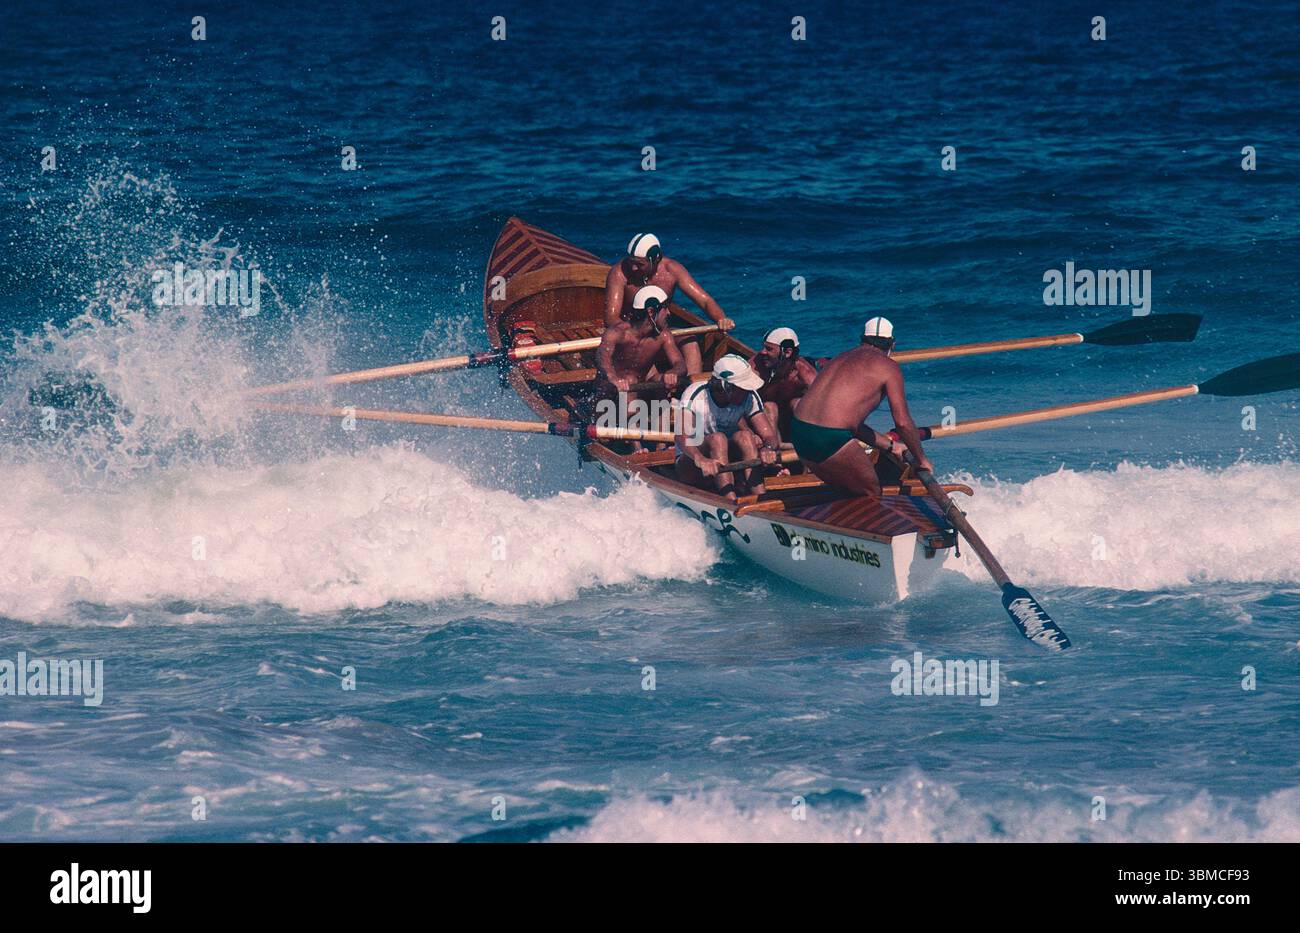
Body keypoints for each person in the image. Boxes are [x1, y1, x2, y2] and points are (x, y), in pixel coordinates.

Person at [787, 317, 933, 497]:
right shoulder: (889, 367)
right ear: (892, 345)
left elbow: (848, 423)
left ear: (862, 339)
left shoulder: (840, 357)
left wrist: (891, 446)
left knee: (846, 490)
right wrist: (921, 460)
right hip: (829, 438)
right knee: (871, 492)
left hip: (798, 431)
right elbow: (903, 423)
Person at [605, 233, 735, 375]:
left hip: (662, 330)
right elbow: (611, 318)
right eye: (631, 262)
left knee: (690, 343)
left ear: (655, 259)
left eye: (639, 264)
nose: (634, 268)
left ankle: (694, 390)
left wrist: (721, 318)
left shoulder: (672, 270)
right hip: (632, 334)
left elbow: (704, 301)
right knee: (644, 366)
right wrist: (634, 336)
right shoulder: (619, 273)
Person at [674, 354, 781, 501]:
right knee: (718, 439)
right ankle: (730, 502)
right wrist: (701, 459)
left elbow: (769, 436)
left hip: (726, 461)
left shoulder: (749, 396)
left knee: (745, 436)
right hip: (691, 463)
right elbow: (682, 437)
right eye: (742, 388)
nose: (747, 391)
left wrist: (768, 448)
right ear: (725, 387)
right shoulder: (695, 394)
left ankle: (761, 498)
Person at [749, 326, 819, 440]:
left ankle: (807, 443)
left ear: (787, 352)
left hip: (790, 422)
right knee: (770, 406)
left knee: (798, 403)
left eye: (769, 349)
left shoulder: (805, 373)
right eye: (763, 347)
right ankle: (774, 446)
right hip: (763, 424)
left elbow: (824, 401)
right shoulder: (756, 367)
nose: (762, 352)